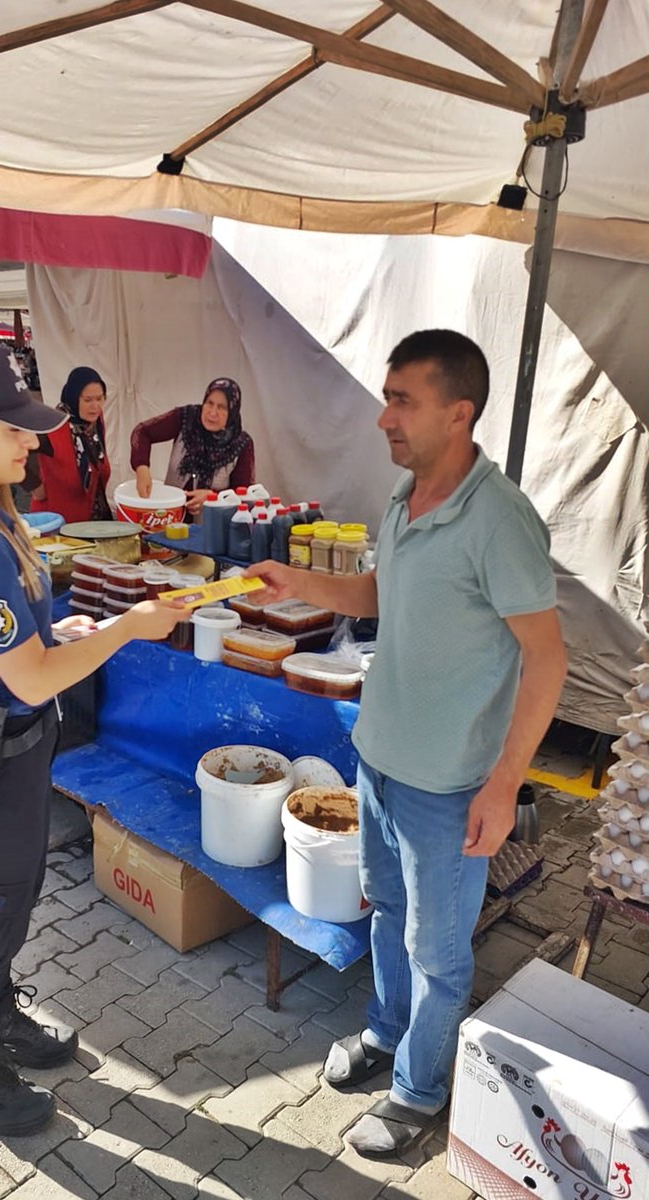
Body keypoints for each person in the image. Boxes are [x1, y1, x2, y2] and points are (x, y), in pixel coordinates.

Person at [246, 330, 567, 1158]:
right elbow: (380, 592)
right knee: (387, 912)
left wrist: (504, 786)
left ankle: (419, 1092)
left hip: (451, 783)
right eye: (386, 397)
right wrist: (297, 583)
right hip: (381, 760)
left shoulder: (500, 520)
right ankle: (387, 1035)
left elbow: (546, 656)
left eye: (402, 400)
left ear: (458, 413)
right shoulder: (405, 496)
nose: (384, 416)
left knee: (439, 948)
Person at [0, 343, 187, 1137]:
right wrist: (127, 628)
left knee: (9, 912)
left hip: (11, 759)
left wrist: (57, 628)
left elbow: (11, 651)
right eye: (15, 430)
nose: (33, 442)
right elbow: (26, 678)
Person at [130, 377, 255, 517]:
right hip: (171, 518)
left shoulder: (241, 443)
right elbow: (142, 432)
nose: (212, 412)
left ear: (232, 411)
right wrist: (142, 467)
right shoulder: (186, 418)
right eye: (209, 403)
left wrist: (214, 497)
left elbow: (243, 496)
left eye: (222, 407)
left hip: (212, 527)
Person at [31, 366, 111, 522]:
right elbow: (16, 446)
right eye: (88, 400)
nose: (95, 406)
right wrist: (34, 485)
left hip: (92, 518)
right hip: (56, 523)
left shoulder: (95, 422)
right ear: (74, 398)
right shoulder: (52, 425)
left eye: (100, 398)